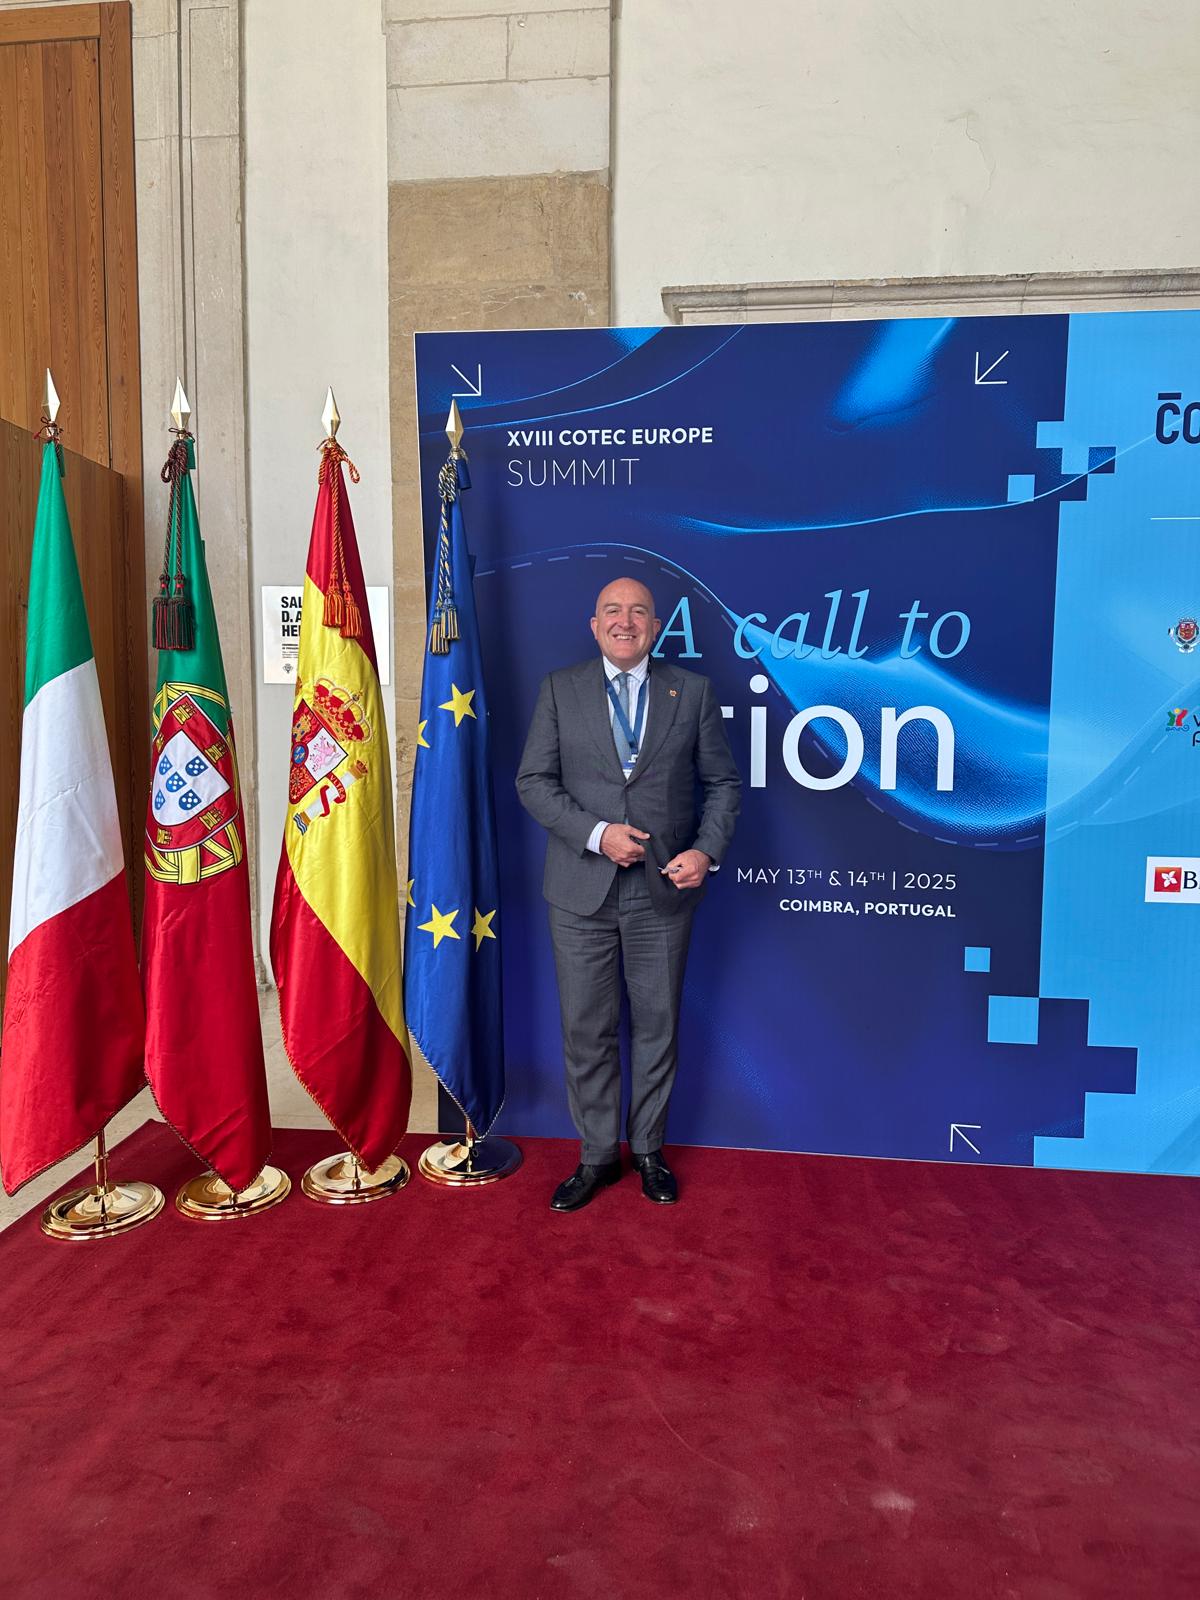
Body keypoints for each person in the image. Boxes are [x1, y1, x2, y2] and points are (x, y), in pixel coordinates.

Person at [516, 577, 741, 1211]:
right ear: (594, 625)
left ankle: (647, 1150)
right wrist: (597, 834)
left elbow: (722, 784)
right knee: (586, 1028)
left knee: (657, 1026)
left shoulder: (691, 691)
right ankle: (595, 1156)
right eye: (612, 610)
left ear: (654, 626)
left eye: (638, 611)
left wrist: (705, 851)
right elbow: (533, 781)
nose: (625, 620)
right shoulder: (559, 689)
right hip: (579, 893)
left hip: (661, 893)